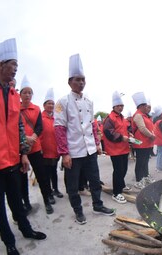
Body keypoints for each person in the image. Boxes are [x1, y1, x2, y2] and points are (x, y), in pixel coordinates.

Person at [0, 38, 46, 255]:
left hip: (13, 159)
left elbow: (18, 127)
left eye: (17, 67)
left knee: (17, 201)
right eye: (13, 66)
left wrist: (24, 153)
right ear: (1, 65)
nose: (15, 70)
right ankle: (8, 240)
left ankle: (26, 230)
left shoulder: (13, 95)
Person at [54, 54, 115, 225]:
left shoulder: (89, 102)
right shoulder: (62, 102)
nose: (81, 83)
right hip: (73, 152)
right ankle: (78, 211)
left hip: (90, 150)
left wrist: (97, 144)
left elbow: (92, 125)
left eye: (83, 80)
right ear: (69, 82)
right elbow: (59, 129)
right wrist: (64, 153)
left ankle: (98, 205)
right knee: (73, 186)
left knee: (95, 181)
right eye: (77, 80)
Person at [19, 76, 54, 214]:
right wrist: (24, 138)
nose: (27, 95)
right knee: (22, 178)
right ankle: (26, 203)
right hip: (22, 149)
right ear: (20, 94)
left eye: (29, 92)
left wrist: (33, 136)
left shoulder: (36, 108)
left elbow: (39, 126)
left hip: (35, 147)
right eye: (24, 92)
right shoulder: (16, 108)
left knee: (42, 176)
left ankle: (46, 201)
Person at [103, 91, 131, 203]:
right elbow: (108, 132)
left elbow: (127, 128)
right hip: (115, 150)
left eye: (122, 106)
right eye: (118, 106)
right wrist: (121, 137)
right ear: (113, 106)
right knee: (118, 170)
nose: (120, 107)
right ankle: (116, 193)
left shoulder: (122, 118)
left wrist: (130, 134)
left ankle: (121, 184)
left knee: (124, 168)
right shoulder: (110, 118)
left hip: (124, 148)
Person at [40, 88, 64, 201]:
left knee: (54, 171)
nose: (51, 105)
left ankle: (56, 189)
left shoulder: (56, 117)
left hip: (55, 150)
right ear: (44, 105)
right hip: (44, 150)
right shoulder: (40, 117)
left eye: (52, 104)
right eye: (49, 103)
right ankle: (48, 193)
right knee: (46, 173)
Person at [131, 92, 155, 189]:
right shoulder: (138, 115)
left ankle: (145, 177)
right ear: (141, 106)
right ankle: (138, 180)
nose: (147, 108)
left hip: (146, 143)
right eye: (146, 106)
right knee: (140, 162)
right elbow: (142, 128)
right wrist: (151, 136)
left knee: (145, 161)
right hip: (140, 143)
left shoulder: (144, 115)